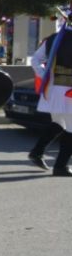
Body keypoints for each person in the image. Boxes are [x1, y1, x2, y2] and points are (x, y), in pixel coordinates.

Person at [29, 12, 72, 176]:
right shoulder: (55, 38)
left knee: (59, 123)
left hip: (53, 90)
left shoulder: (53, 38)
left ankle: (37, 152)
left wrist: (47, 75)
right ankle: (60, 166)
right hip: (68, 92)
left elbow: (35, 60)